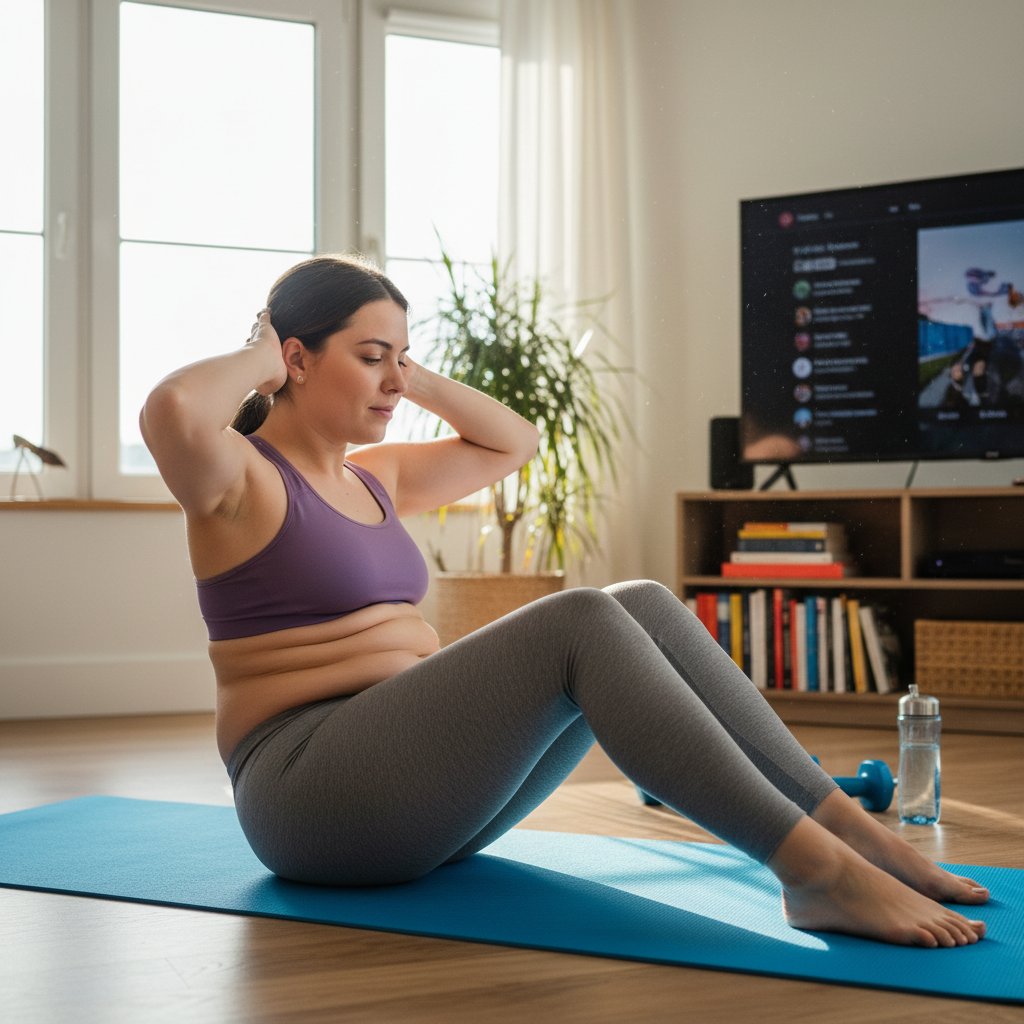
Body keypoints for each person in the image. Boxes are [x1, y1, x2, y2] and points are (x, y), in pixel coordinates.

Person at [141, 254, 989, 948]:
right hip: (308, 796)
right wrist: (265, 339)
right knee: (580, 620)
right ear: (295, 357)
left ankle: (854, 835)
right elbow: (172, 408)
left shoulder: (377, 477)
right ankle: (817, 875)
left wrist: (399, 367)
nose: (394, 380)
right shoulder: (238, 477)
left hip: (413, 794)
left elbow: (516, 441)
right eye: (371, 358)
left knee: (644, 601)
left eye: (400, 358)